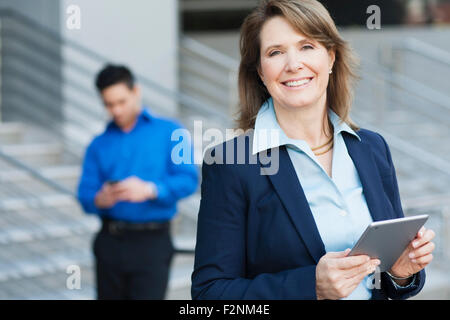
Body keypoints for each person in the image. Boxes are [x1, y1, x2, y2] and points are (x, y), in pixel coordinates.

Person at [191, 0, 435, 300]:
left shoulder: (372, 148)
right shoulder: (232, 164)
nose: (293, 64)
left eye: (307, 46)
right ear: (260, 72)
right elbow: (209, 295)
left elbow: (389, 279)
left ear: (331, 57)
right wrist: (310, 286)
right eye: (276, 52)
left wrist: (400, 273)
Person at [77, 64, 198, 300]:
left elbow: (189, 179)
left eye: (121, 102)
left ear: (136, 92)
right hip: (109, 242)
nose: (116, 110)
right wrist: (99, 199)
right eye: (109, 105)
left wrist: (151, 190)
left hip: (152, 243)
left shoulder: (173, 132)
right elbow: (84, 195)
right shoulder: (98, 144)